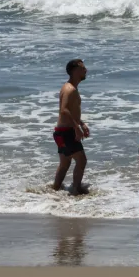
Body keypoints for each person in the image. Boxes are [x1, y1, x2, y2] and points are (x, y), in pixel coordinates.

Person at [52, 58, 90, 195]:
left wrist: (81, 123)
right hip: (67, 132)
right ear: (74, 71)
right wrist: (76, 128)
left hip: (60, 132)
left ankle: (54, 189)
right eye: (82, 68)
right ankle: (76, 190)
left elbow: (70, 112)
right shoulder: (70, 89)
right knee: (81, 160)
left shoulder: (70, 87)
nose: (86, 70)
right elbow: (64, 110)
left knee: (65, 163)